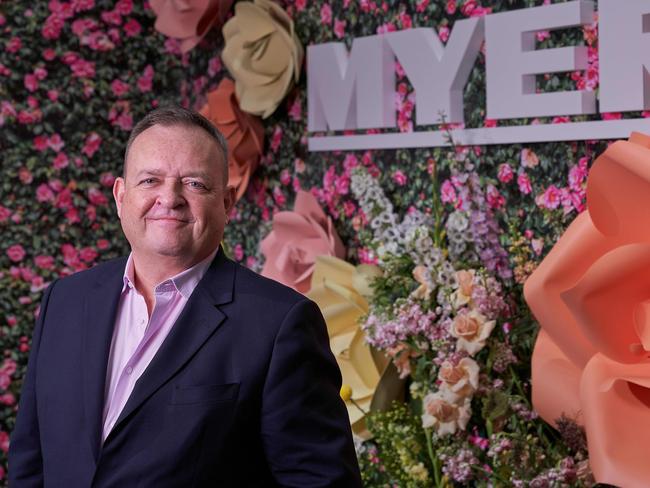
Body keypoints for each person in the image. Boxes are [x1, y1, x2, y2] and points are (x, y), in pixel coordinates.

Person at [8, 106, 362, 487]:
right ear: (120, 195)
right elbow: (31, 461)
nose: (170, 198)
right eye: (149, 181)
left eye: (194, 183)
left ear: (226, 203)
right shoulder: (65, 300)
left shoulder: (279, 324)